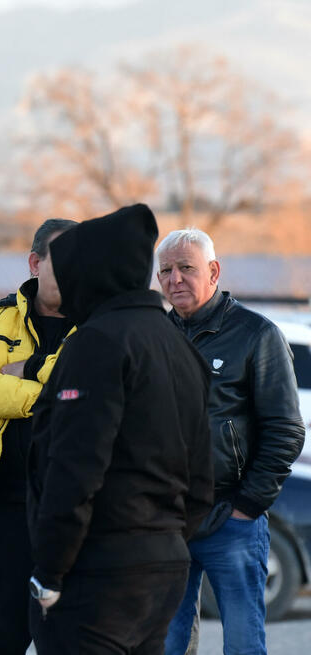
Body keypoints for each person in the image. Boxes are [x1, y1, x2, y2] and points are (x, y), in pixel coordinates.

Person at [26, 204, 214, 654]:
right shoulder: (176, 343)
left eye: (68, 268)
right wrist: (162, 539)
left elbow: (75, 467)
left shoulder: (98, 341)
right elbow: (202, 479)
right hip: (161, 564)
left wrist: (50, 572)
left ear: (91, 272)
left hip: (98, 570)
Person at [159, 228, 305, 655]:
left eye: (186, 268)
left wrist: (247, 507)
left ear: (213, 271)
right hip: (168, 520)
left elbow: (285, 430)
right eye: (165, 271)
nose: (175, 279)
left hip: (232, 519)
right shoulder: (155, 336)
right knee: (168, 644)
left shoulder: (257, 335)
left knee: (242, 644)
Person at [0, 218, 77, 655]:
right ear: (34, 263)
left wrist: (21, 376)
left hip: (78, 512)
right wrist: (54, 393)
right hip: (6, 506)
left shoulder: (103, 327)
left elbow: (96, 392)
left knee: (72, 639)